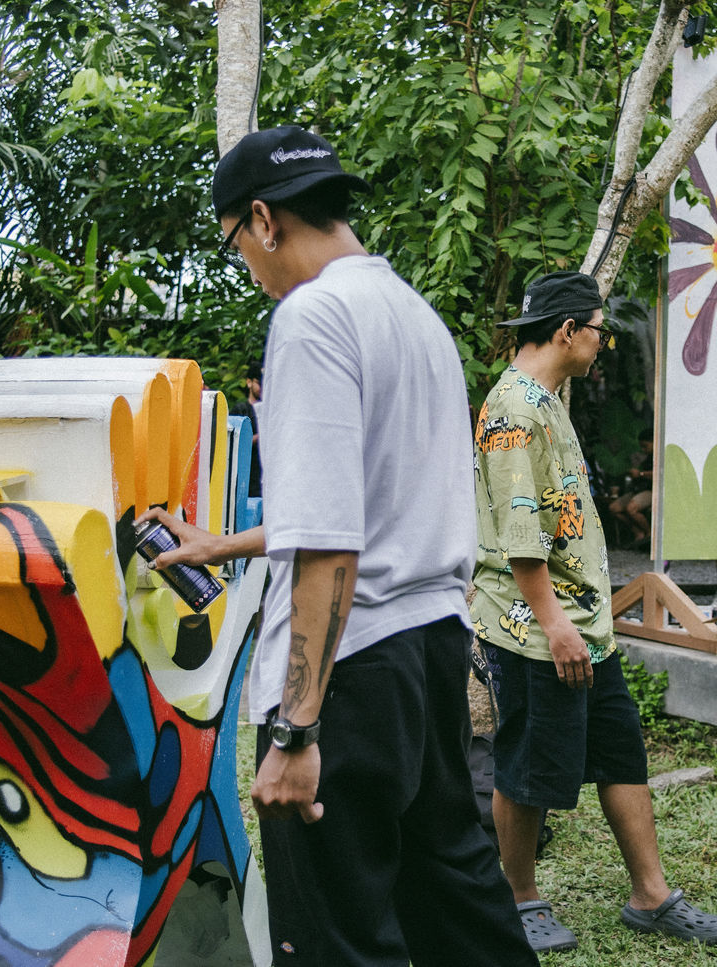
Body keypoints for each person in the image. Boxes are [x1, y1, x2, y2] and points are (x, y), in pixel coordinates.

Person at [141, 124, 535, 967]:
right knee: (460, 909)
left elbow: (330, 546)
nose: (248, 269)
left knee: (335, 939)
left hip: (350, 672)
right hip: (433, 654)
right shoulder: (415, 318)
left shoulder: (311, 317)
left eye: (235, 245)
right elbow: (370, 504)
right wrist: (227, 544)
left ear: (263, 219)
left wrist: (294, 732)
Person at [471, 270, 717, 952]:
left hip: (583, 625)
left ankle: (651, 895)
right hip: (536, 629)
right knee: (527, 766)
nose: (601, 342)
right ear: (567, 330)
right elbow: (519, 534)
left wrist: (580, 623)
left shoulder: (548, 399)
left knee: (620, 752)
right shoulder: (513, 410)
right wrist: (555, 625)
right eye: (598, 330)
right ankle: (518, 900)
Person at [608, 427, 655, 548]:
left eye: (645, 446)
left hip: (651, 490)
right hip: (638, 488)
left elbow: (659, 474)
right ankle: (638, 532)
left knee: (631, 508)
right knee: (614, 508)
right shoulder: (647, 457)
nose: (643, 449)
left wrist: (641, 474)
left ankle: (650, 533)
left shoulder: (660, 457)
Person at [229, 357, 263, 498]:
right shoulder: (241, 409)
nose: (263, 388)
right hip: (245, 480)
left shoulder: (271, 411)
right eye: (259, 383)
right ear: (249, 382)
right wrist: (260, 437)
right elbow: (232, 443)